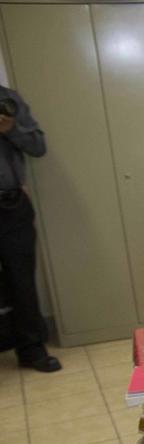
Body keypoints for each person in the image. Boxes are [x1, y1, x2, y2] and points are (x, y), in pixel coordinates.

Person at [0, 85, 59, 372]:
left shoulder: (7, 99)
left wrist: (11, 129)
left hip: (11, 206)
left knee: (21, 280)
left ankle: (31, 349)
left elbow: (38, 146)